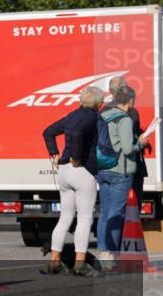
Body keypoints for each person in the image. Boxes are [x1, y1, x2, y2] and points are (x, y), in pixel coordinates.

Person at [40, 86, 103, 276]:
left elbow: (48, 132)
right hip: (82, 170)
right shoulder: (93, 117)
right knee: (84, 218)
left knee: (65, 217)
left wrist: (54, 153)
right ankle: (80, 264)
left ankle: (54, 262)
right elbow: (77, 135)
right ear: (98, 103)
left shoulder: (72, 115)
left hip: (64, 171)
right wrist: (77, 156)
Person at [96, 86, 151, 268]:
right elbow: (128, 149)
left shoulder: (104, 115)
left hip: (103, 168)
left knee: (105, 212)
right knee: (117, 213)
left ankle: (104, 252)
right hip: (120, 171)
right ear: (131, 100)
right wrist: (140, 143)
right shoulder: (125, 119)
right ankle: (112, 254)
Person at [105, 76, 150, 209]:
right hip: (127, 164)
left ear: (110, 91)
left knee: (110, 207)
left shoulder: (103, 111)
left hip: (108, 165)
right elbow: (130, 141)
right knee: (130, 205)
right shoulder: (130, 112)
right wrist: (141, 142)